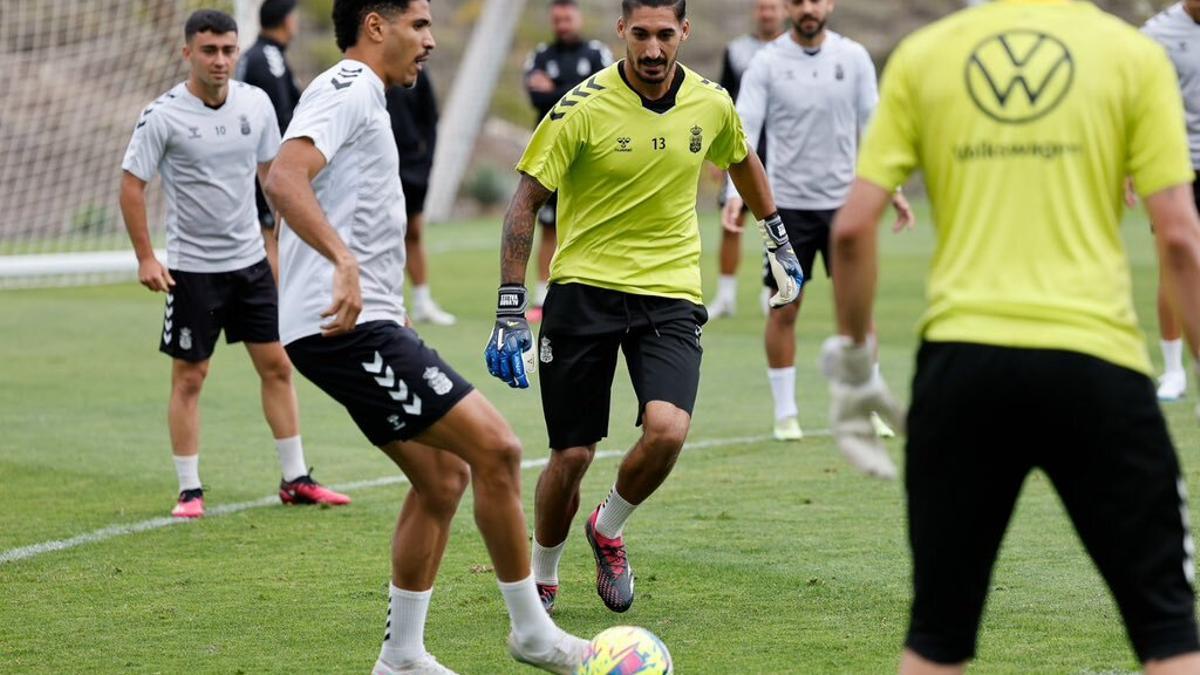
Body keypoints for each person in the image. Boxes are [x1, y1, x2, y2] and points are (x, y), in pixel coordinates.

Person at [821, 0, 1200, 672]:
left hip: (962, 367)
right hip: (1097, 363)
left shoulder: (925, 54)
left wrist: (854, 365)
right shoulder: (1133, 55)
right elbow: (1178, 237)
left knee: (937, 637)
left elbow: (850, 230)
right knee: (1168, 632)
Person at [263, 1, 590, 672]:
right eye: (419, 25)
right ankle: (532, 630)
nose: (431, 41)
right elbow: (284, 176)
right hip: (345, 330)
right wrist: (344, 264)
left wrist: (385, 293)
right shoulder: (347, 87)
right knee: (499, 449)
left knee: (443, 479)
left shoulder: (371, 101)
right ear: (375, 25)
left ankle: (403, 655)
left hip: (369, 321)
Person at [488, 0, 804, 615]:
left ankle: (607, 529)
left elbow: (741, 157)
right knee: (572, 454)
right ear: (621, 32)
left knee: (668, 431)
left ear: (684, 31)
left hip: (669, 291)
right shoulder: (579, 108)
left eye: (665, 35)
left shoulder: (712, 103)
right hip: (582, 288)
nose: (653, 50)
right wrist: (508, 307)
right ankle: (543, 571)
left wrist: (778, 239)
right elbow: (524, 203)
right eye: (641, 35)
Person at [119, 9, 349, 520]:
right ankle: (189, 490)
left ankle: (296, 479)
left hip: (250, 264)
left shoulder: (257, 104)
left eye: (227, 50)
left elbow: (276, 179)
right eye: (209, 51)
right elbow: (132, 183)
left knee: (277, 366)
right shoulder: (162, 115)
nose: (220, 60)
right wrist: (145, 257)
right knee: (191, 378)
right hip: (192, 269)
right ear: (187, 54)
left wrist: (283, 247)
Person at [724, 0, 912, 441]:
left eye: (815, 0)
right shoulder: (766, 62)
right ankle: (786, 413)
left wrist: (895, 189)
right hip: (786, 207)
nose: (807, 8)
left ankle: (867, 405)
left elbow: (874, 126)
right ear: (788, 7)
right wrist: (734, 193)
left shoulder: (854, 57)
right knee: (785, 307)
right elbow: (744, 128)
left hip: (847, 207)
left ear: (830, 4)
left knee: (858, 314)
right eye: (797, 1)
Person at [523, 0, 614, 321]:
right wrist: (574, 89)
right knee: (548, 225)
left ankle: (597, 293)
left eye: (567, 18)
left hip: (592, 153)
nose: (562, 24)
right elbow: (536, 97)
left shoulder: (597, 53)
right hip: (551, 152)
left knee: (594, 221)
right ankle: (541, 298)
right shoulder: (540, 55)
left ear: (578, 17)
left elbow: (603, 95)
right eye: (557, 19)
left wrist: (557, 90)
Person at [706, 0, 787, 319]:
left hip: (783, 150)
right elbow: (722, 97)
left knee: (778, 218)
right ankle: (726, 297)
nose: (767, 13)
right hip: (740, 145)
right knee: (732, 218)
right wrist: (716, 152)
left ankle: (775, 290)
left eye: (773, 7)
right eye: (762, 7)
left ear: (784, 12)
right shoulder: (737, 50)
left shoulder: (792, 50)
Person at [1142, 0, 1200, 401]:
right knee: (1175, 259)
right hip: (1177, 164)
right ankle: (1174, 370)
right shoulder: (1156, 35)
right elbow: (1139, 104)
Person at [237, 0, 302, 273]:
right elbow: (281, 115)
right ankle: (276, 312)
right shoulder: (269, 57)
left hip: (255, 160)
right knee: (274, 236)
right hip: (267, 163)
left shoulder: (256, 55)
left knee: (271, 236)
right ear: (286, 20)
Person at [386, 73, 457, 326]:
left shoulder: (417, 75)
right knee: (383, 233)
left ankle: (421, 301)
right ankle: (385, 302)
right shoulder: (370, 71)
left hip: (412, 168)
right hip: (381, 166)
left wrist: (426, 163)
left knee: (413, 231)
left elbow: (430, 122)